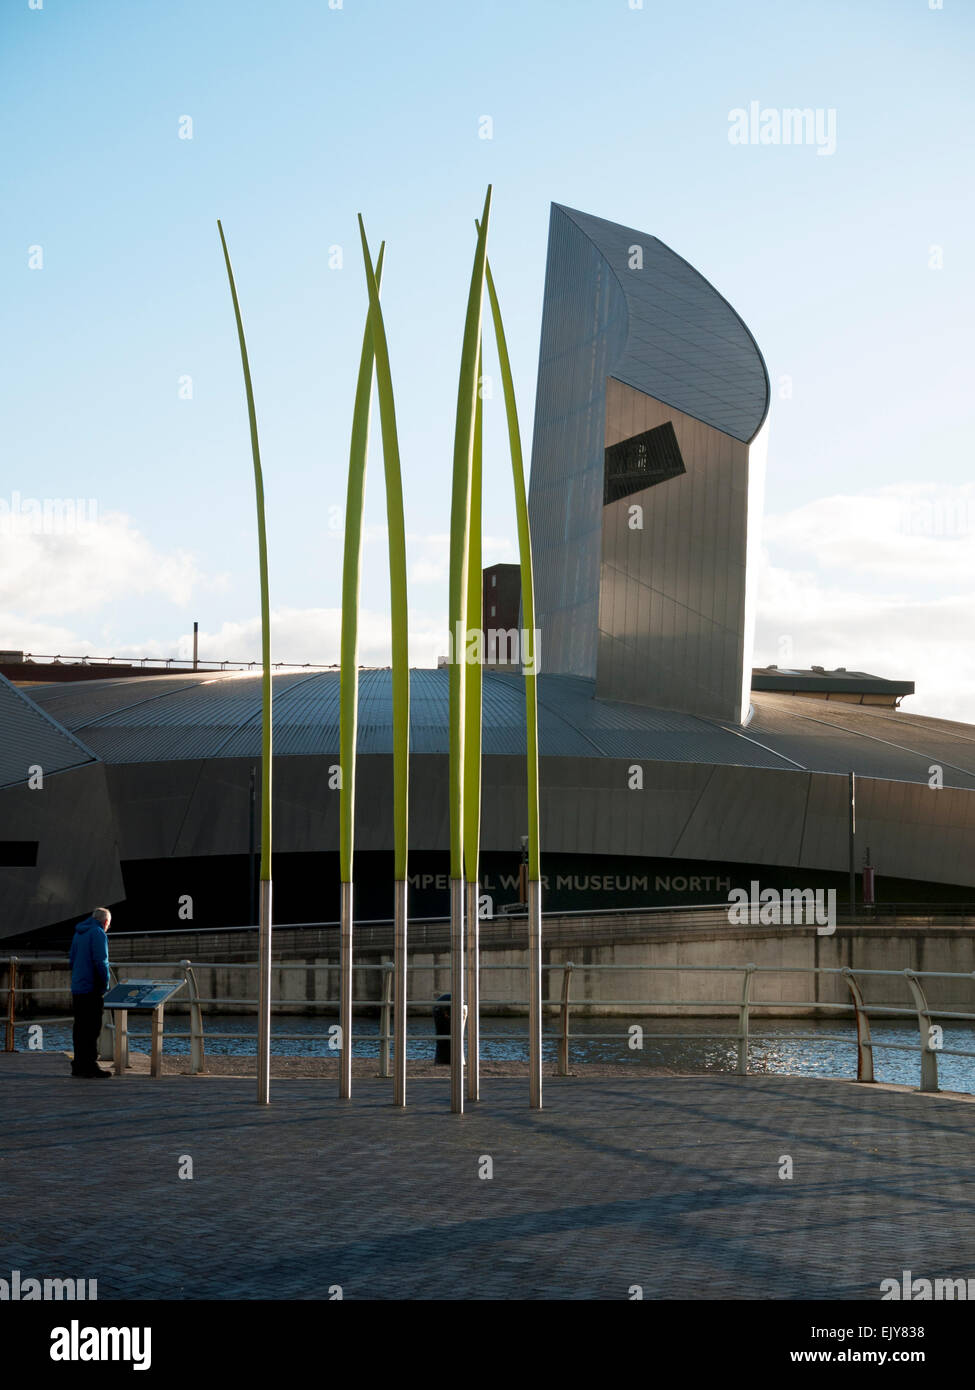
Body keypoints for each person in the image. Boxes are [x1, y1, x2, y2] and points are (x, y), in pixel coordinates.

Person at [69, 907, 112, 1078]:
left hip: (78, 986)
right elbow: (101, 961)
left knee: (79, 1027)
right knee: (93, 1027)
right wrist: (105, 982)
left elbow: (71, 959)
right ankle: (90, 1065)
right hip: (92, 987)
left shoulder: (79, 933)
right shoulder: (98, 933)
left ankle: (78, 1064)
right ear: (106, 922)